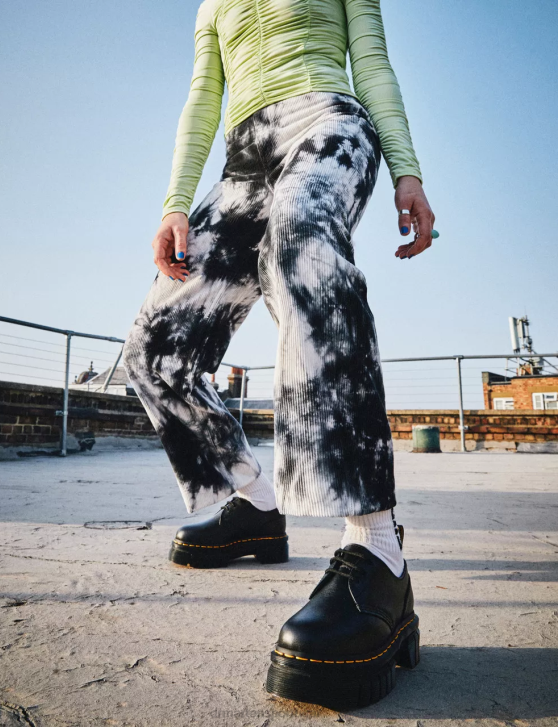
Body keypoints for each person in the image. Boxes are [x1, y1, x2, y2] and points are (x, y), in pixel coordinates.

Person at [122, 0, 435, 710]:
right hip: (244, 158)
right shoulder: (211, 6)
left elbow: (372, 62)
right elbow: (203, 96)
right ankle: (255, 503)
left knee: (304, 254)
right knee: (154, 346)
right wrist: (176, 201)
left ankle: (378, 549)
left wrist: (408, 171)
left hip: (327, 125)